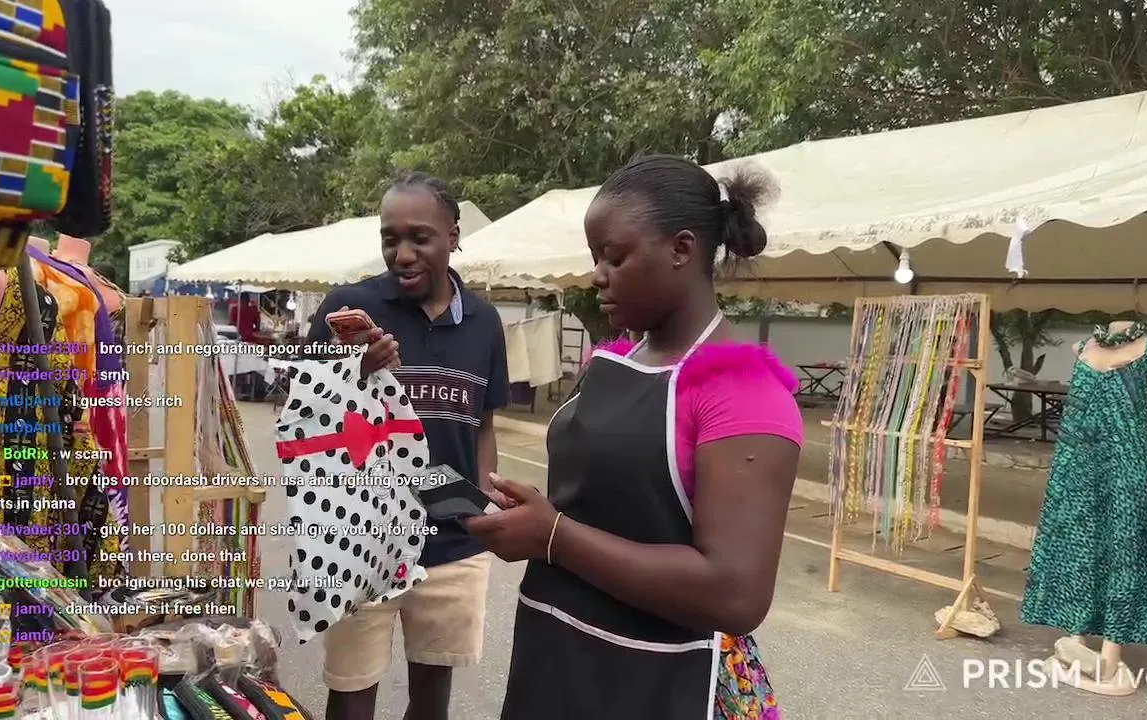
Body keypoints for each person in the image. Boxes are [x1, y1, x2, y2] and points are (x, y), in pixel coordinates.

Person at [464, 154, 802, 719]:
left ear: (682, 249)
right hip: (560, 656)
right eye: (595, 257)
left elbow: (735, 594)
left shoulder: (745, 395)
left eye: (614, 257)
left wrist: (554, 536)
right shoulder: (615, 360)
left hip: (664, 679)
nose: (597, 275)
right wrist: (538, 516)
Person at [304, 172, 508, 720]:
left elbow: (482, 425)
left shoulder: (485, 323)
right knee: (351, 695)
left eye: (420, 237)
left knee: (432, 699)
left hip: (452, 544)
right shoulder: (348, 309)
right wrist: (354, 372)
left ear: (453, 236)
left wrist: (483, 504)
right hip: (359, 537)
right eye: (390, 238)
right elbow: (303, 414)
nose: (403, 253)